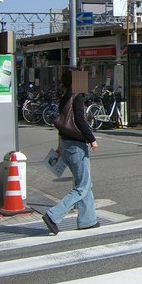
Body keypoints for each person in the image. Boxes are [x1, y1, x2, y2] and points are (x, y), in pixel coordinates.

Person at [42, 68, 100, 235]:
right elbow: (80, 121)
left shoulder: (65, 97)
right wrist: (92, 139)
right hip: (77, 147)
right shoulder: (77, 97)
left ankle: (88, 220)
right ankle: (53, 215)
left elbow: (62, 123)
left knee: (85, 184)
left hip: (66, 144)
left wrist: (60, 146)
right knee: (82, 186)